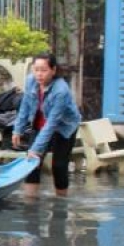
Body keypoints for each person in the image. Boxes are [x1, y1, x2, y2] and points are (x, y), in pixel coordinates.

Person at [11, 55, 82, 197]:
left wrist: (36, 149)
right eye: (36, 69)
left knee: (59, 166)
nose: (39, 74)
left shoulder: (61, 90)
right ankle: (30, 205)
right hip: (39, 123)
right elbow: (25, 106)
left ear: (53, 70)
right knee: (32, 163)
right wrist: (17, 130)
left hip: (64, 127)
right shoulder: (31, 81)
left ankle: (61, 204)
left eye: (43, 70)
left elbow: (51, 124)